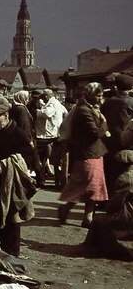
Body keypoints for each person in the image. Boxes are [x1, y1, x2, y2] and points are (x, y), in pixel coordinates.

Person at [0, 103, 37, 257]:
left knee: (11, 217)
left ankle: (13, 252)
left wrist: (6, 165)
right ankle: (4, 247)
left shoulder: (18, 134)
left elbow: (29, 158)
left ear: (6, 115)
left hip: (10, 182)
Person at [58, 82, 109, 228]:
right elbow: (95, 133)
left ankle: (87, 217)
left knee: (93, 187)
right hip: (88, 154)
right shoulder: (84, 111)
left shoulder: (88, 108)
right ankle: (67, 209)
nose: (101, 98)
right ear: (91, 95)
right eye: (98, 95)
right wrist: (104, 123)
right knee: (85, 186)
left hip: (93, 153)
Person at [101, 73, 133, 195]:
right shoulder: (131, 102)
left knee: (110, 171)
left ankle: (107, 199)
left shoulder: (108, 102)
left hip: (110, 142)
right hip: (128, 143)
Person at [34, 89, 68, 187]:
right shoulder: (58, 103)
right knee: (56, 160)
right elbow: (65, 113)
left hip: (48, 134)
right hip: (55, 133)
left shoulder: (52, 103)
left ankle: (42, 179)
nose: (42, 98)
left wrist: (36, 110)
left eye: (43, 96)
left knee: (40, 156)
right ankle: (57, 181)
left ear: (46, 96)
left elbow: (46, 114)